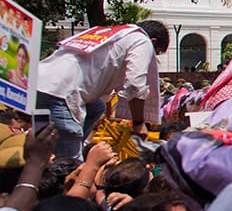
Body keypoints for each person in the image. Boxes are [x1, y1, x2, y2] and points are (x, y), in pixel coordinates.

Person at [36, 20, 169, 160]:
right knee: (69, 163)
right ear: (153, 42)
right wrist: (138, 123)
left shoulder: (110, 34)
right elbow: (135, 85)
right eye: (157, 53)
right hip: (62, 92)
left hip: (39, 83)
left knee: (96, 106)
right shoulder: (142, 40)